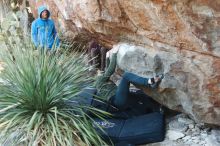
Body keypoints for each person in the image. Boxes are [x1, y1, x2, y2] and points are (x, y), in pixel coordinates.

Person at [95, 51, 164, 110]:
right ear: (97, 75)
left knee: (140, 96)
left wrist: (107, 57)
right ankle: (149, 82)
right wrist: (114, 53)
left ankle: (158, 108)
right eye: (99, 72)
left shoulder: (99, 82)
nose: (101, 72)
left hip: (119, 101)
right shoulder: (99, 80)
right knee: (126, 76)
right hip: (117, 99)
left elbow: (107, 70)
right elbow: (110, 70)